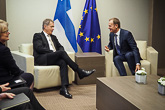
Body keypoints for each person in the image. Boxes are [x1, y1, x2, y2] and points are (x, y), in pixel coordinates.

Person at [33, 19, 95, 99]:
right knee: (61, 53)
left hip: (52, 58)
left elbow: (60, 47)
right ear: (45, 26)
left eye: (53, 27)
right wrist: (54, 52)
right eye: (51, 26)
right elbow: (39, 48)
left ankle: (64, 88)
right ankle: (79, 71)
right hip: (42, 58)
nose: (53, 28)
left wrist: (58, 53)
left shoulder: (53, 37)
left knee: (63, 61)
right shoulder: (38, 35)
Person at [0, 19, 34, 89]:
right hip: (5, 83)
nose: (8, 33)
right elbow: (14, 69)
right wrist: (22, 73)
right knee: (29, 76)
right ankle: (27, 98)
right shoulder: (4, 50)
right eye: (5, 31)